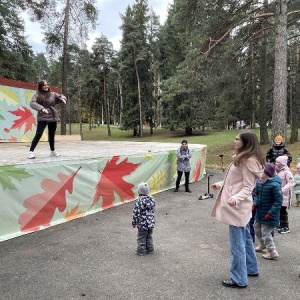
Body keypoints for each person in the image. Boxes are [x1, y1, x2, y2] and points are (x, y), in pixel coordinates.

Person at [211, 131, 265, 288]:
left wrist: (235, 199)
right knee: (246, 239)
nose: (234, 141)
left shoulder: (248, 161)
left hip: (237, 208)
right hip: (238, 206)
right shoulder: (244, 158)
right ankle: (251, 268)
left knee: (237, 245)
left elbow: (248, 187)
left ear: (246, 142)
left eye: (237, 139)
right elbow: (235, 181)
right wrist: (221, 184)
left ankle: (239, 278)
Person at [28, 80, 67, 159]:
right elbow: (32, 103)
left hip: (52, 116)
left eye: (47, 85)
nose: (46, 86)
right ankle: (31, 152)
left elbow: (60, 96)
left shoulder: (52, 94)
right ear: (41, 87)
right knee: (39, 134)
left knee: (51, 135)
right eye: (44, 85)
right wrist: (41, 108)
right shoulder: (37, 95)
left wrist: (62, 98)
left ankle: (53, 151)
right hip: (43, 116)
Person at [253, 163, 282, 260]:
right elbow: (257, 195)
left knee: (266, 233)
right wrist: (255, 203)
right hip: (260, 212)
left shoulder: (275, 185)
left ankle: (272, 251)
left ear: (268, 173)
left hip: (269, 214)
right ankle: (262, 244)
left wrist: (271, 213)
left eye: (262, 171)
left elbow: (278, 201)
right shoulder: (260, 182)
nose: (259, 172)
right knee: (256, 228)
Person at [132, 182, 155, 256]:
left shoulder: (139, 201)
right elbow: (152, 210)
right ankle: (150, 249)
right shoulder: (152, 199)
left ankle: (141, 250)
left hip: (142, 224)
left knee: (141, 237)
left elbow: (136, 213)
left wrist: (134, 222)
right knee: (149, 236)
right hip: (151, 223)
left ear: (139, 191)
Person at [275, 155, 295, 233]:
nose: (275, 163)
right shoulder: (278, 171)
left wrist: (282, 190)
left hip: (285, 196)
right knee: (279, 211)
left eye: (277, 162)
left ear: (282, 163)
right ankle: (280, 224)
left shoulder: (287, 172)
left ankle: (286, 227)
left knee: (283, 212)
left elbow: (291, 183)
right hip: (279, 195)